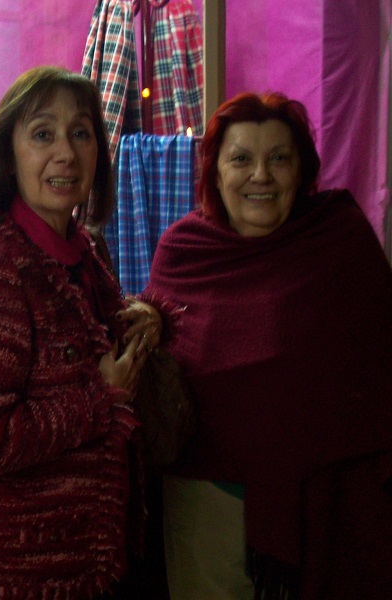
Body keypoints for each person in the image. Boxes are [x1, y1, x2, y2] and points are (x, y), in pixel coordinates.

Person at [142, 92, 392, 599]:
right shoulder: (183, 252)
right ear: (215, 173)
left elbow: (379, 369)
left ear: (302, 171)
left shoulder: (340, 241)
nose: (261, 175)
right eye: (241, 159)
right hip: (207, 501)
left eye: (279, 158)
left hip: (329, 503)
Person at [0, 66, 159, 600]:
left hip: (98, 548)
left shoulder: (85, 248)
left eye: (81, 133)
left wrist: (149, 316)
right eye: (42, 134)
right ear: (9, 157)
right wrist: (100, 398)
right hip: (26, 570)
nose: (66, 153)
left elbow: (82, 341)